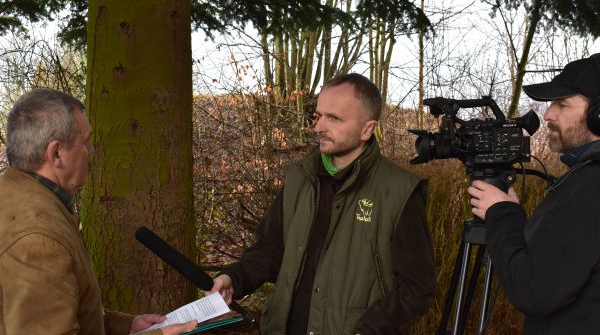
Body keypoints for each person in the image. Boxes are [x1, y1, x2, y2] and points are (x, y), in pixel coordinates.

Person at [211, 74, 436, 335]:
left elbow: (417, 288)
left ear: (367, 129)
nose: (319, 127)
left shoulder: (400, 191)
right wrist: (233, 279)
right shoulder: (299, 177)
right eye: (319, 116)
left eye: (334, 118)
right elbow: (270, 250)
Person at [0, 88, 198, 335]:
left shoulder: (25, 199)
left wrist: (124, 326)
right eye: (84, 142)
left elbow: (63, 311)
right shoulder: (37, 237)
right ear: (56, 153)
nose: (91, 150)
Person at [468, 54, 600, 334]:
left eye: (563, 104)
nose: (549, 113)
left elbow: (534, 290)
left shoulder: (589, 186)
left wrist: (500, 215)